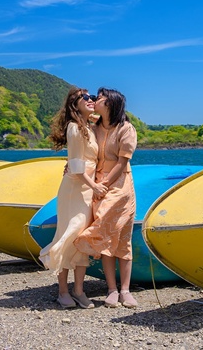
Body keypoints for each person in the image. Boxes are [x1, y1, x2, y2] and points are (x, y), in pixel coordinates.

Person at [39, 87, 107, 309]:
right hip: (76, 188)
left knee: (82, 239)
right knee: (70, 234)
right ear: (74, 104)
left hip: (86, 189)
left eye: (92, 98)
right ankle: (62, 291)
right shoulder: (75, 128)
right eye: (84, 98)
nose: (90, 100)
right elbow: (77, 165)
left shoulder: (88, 126)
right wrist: (94, 185)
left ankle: (78, 290)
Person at [74, 87, 139, 308]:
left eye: (99, 98)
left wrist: (103, 184)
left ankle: (125, 290)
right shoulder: (94, 127)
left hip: (120, 186)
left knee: (122, 238)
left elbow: (122, 162)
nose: (94, 100)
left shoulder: (126, 128)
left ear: (110, 103)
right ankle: (111, 289)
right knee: (107, 238)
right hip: (97, 185)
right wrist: (72, 165)